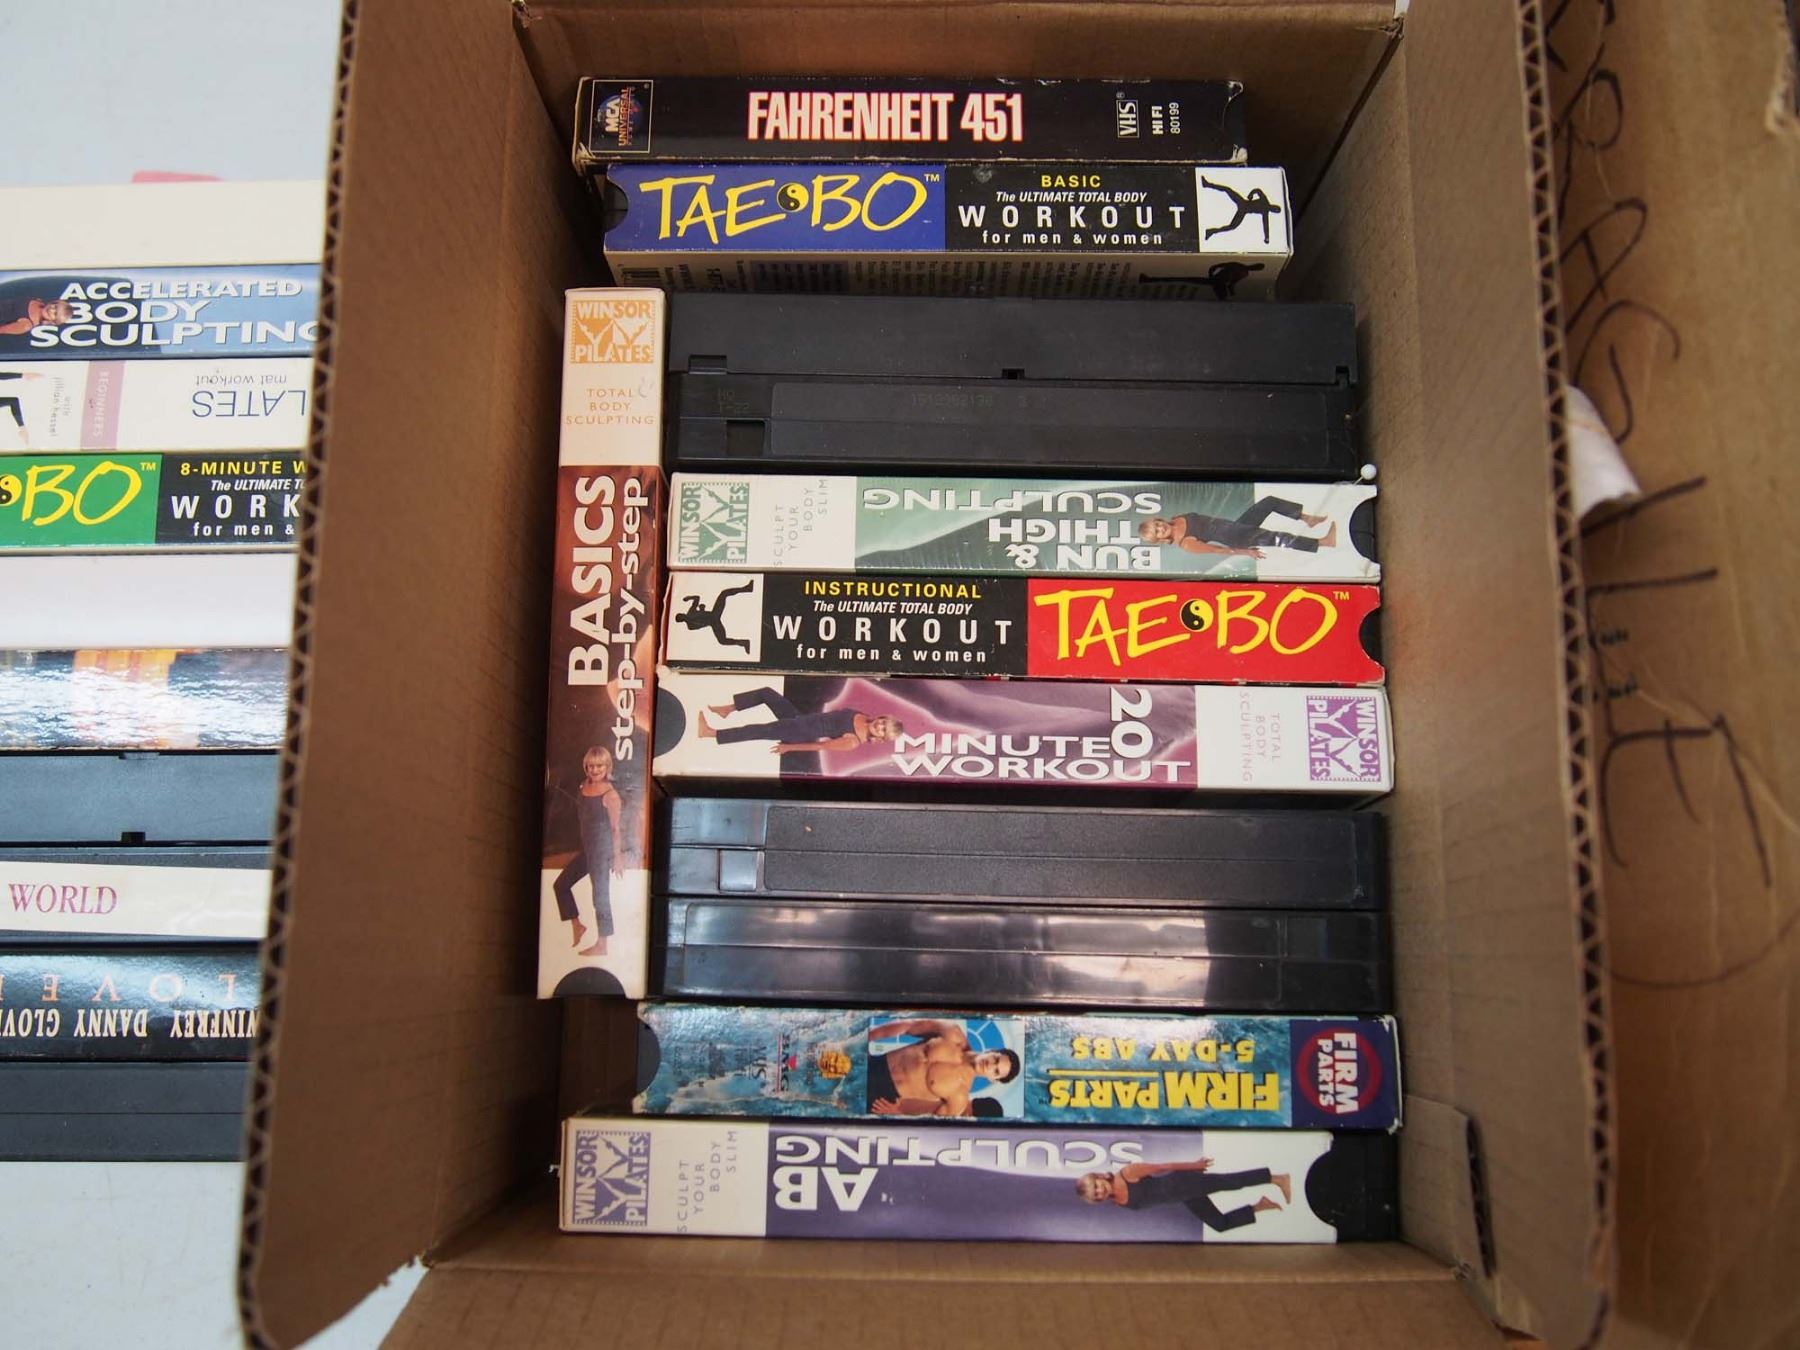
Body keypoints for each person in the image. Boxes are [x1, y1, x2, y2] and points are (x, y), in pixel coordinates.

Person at [1076, 1157, 1291, 1234]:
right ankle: (1261, 1205)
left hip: (1183, 1182)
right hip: (1183, 1196)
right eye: (1096, 1195)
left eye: (1096, 1186)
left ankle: (1277, 1178)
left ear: (1098, 1177)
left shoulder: (1127, 1174)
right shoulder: (1118, 1203)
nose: (1100, 1191)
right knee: (1220, 1224)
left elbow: (1163, 1167)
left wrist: (1194, 1165)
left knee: (1231, 1182)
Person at [862, 1017, 1021, 1117]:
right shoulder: (952, 1033)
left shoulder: (959, 1098)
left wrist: (898, 1110)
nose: (990, 1065)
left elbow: (930, 1112)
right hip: (874, 1063)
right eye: (995, 1059)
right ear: (992, 1050)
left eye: (996, 1071)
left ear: (993, 1079)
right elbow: (908, 1026)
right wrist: (868, 1036)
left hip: (882, 1095)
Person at [551, 745, 624, 955]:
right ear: (586, 766)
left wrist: (617, 857)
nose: (595, 770)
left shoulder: (611, 795)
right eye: (591, 766)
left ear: (607, 766)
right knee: (561, 885)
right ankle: (577, 925)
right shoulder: (583, 786)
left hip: (601, 851)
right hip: (587, 849)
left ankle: (602, 944)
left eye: (599, 766)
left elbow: (615, 828)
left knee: (600, 896)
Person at [698, 686, 903, 756]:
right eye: (883, 722)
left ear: (881, 738)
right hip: (799, 719)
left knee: (756, 730)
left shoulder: (853, 741)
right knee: (766, 693)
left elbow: (819, 746)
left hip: (797, 732)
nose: (880, 726)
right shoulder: (864, 716)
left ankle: (710, 733)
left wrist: (789, 748)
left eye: (883, 730)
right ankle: (727, 709)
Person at [1138, 497, 1336, 559]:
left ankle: (1308, 519)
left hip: (1236, 526)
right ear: (1159, 540)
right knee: (1278, 537)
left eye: (1157, 524)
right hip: (1238, 538)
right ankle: (1324, 542)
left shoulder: (1177, 518)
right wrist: (1246, 552)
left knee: (1268, 502)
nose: (1160, 528)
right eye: (1157, 532)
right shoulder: (1185, 543)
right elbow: (1217, 550)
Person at [673, 580, 755, 653]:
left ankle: (746, 589)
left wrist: (689, 598)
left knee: (723, 593)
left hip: (714, 613)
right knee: (722, 641)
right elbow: (702, 624)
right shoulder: (690, 626)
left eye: (681, 615)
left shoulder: (691, 611)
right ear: (682, 621)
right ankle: (743, 643)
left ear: (683, 614)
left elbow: (697, 598)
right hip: (714, 622)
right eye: (681, 618)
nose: (683, 616)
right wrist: (701, 611)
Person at [1199, 178, 1284, 244]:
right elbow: (1258, 190)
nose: (1273, 209)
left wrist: (1267, 237)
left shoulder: (1265, 212)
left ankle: (1210, 232)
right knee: (1228, 190)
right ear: (1274, 205)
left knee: (1232, 227)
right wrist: (1251, 194)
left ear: (1273, 212)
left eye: (1275, 210)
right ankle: (1207, 184)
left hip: (1243, 212)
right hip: (1243, 203)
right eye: (1275, 208)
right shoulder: (1264, 201)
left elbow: (1266, 226)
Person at [0, 297, 75, 337]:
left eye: (55, 314)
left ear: (53, 321)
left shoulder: (26, 325)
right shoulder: (37, 300)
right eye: (55, 306)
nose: (51, 310)